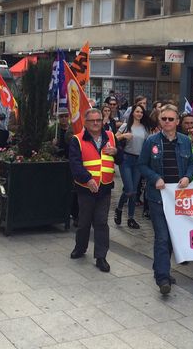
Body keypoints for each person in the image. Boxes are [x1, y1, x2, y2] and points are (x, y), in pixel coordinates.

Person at [138, 104, 193, 294]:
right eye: (164, 119)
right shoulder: (151, 141)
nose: (167, 122)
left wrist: (187, 176)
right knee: (162, 237)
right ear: (159, 120)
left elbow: (191, 165)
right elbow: (142, 165)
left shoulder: (185, 141)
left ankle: (162, 269)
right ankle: (163, 279)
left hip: (179, 198)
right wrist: (155, 178)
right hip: (158, 198)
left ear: (178, 121)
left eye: (171, 119)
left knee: (172, 238)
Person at [68, 108, 120, 272]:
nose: (96, 123)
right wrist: (88, 179)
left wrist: (117, 152)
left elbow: (122, 160)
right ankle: (80, 247)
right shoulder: (77, 140)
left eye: (99, 120)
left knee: (101, 222)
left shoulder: (111, 137)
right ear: (86, 122)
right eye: (92, 120)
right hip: (86, 188)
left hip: (105, 187)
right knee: (84, 222)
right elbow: (75, 165)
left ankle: (101, 257)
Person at [114, 104, 150, 229]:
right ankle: (118, 209)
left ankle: (130, 218)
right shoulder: (125, 126)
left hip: (139, 161)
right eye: (137, 111)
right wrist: (123, 136)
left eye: (141, 112)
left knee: (134, 192)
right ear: (133, 113)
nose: (139, 114)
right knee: (129, 190)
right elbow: (113, 138)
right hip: (126, 159)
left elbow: (147, 144)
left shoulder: (145, 128)